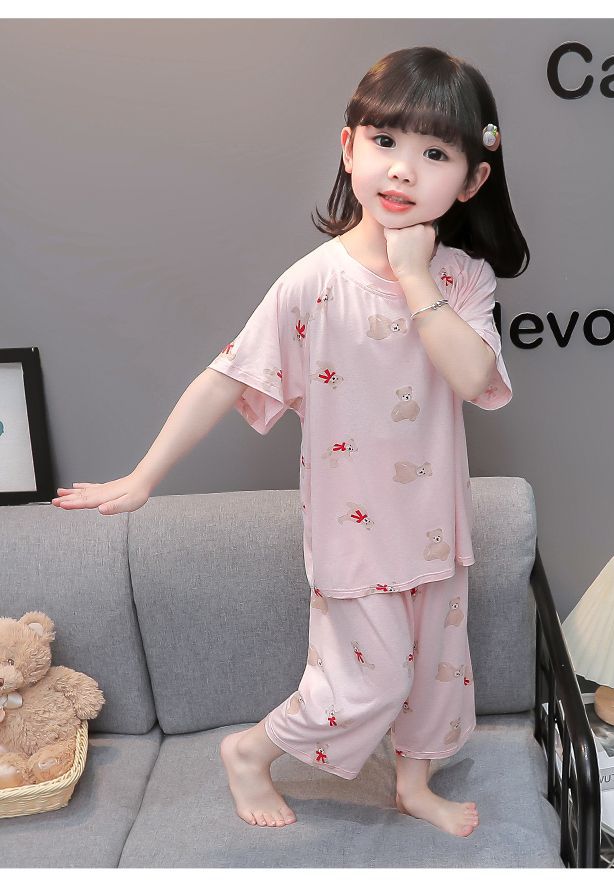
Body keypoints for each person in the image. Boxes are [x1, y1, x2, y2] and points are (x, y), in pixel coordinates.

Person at [51, 46, 529, 839]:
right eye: (385, 142)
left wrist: (416, 278)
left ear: (471, 179)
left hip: (437, 528)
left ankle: (413, 785)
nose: (402, 169)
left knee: (438, 678)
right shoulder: (313, 283)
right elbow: (225, 376)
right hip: (354, 534)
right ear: (349, 146)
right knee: (368, 685)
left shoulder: (463, 279)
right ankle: (250, 750)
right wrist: (143, 476)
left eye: (434, 153)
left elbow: (475, 376)